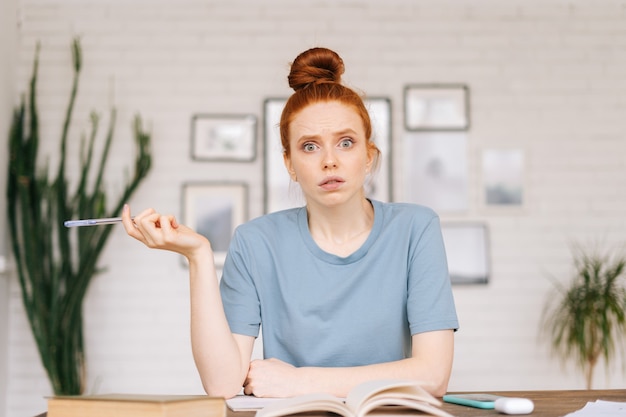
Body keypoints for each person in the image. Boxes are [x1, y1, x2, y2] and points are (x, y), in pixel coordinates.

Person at [122, 47, 459, 399]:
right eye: (310, 146)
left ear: (368, 156)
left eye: (346, 142)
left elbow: (433, 376)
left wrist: (301, 382)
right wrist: (198, 256)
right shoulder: (255, 242)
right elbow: (222, 385)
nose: (329, 161)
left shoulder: (415, 229)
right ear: (290, 164)